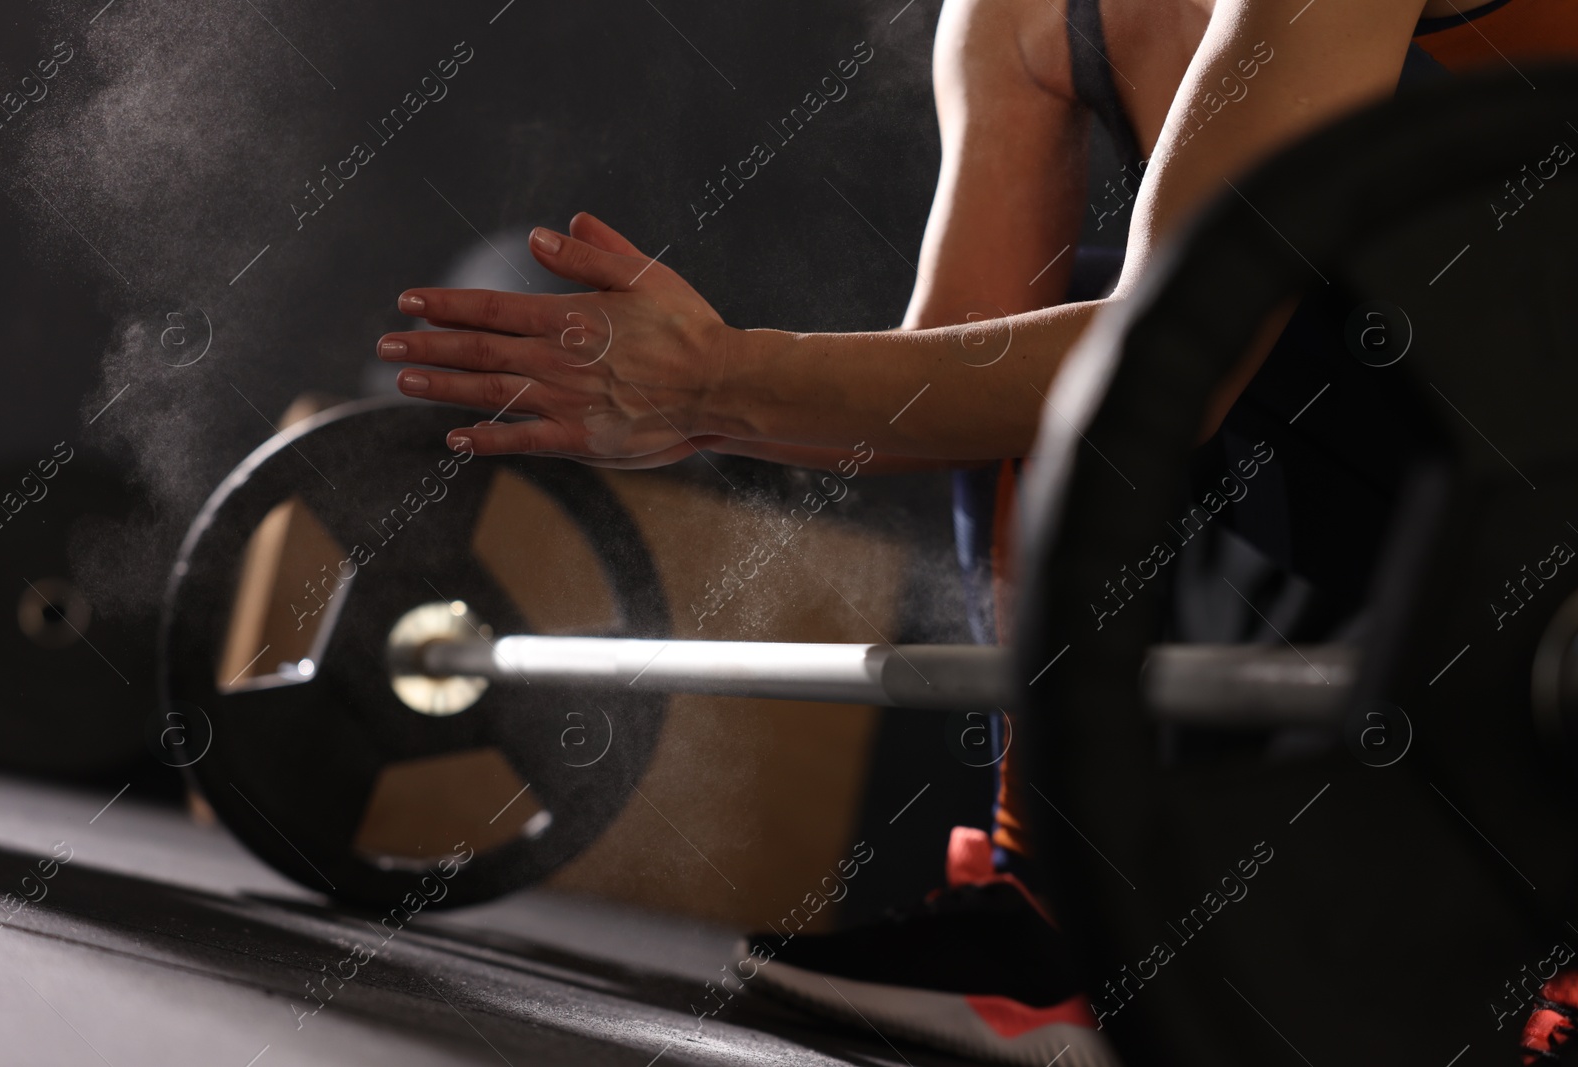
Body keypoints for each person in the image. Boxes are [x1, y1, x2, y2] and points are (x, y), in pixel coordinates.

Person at [378, 0, 1578, 1061]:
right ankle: (1048, 909)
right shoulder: (1013, 13)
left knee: (1176, 320)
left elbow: (1189, 363)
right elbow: (953, 381)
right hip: (1409, 481)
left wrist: (716, 382)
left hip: (1530, 464)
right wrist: (696, 400)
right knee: (1056, 329)